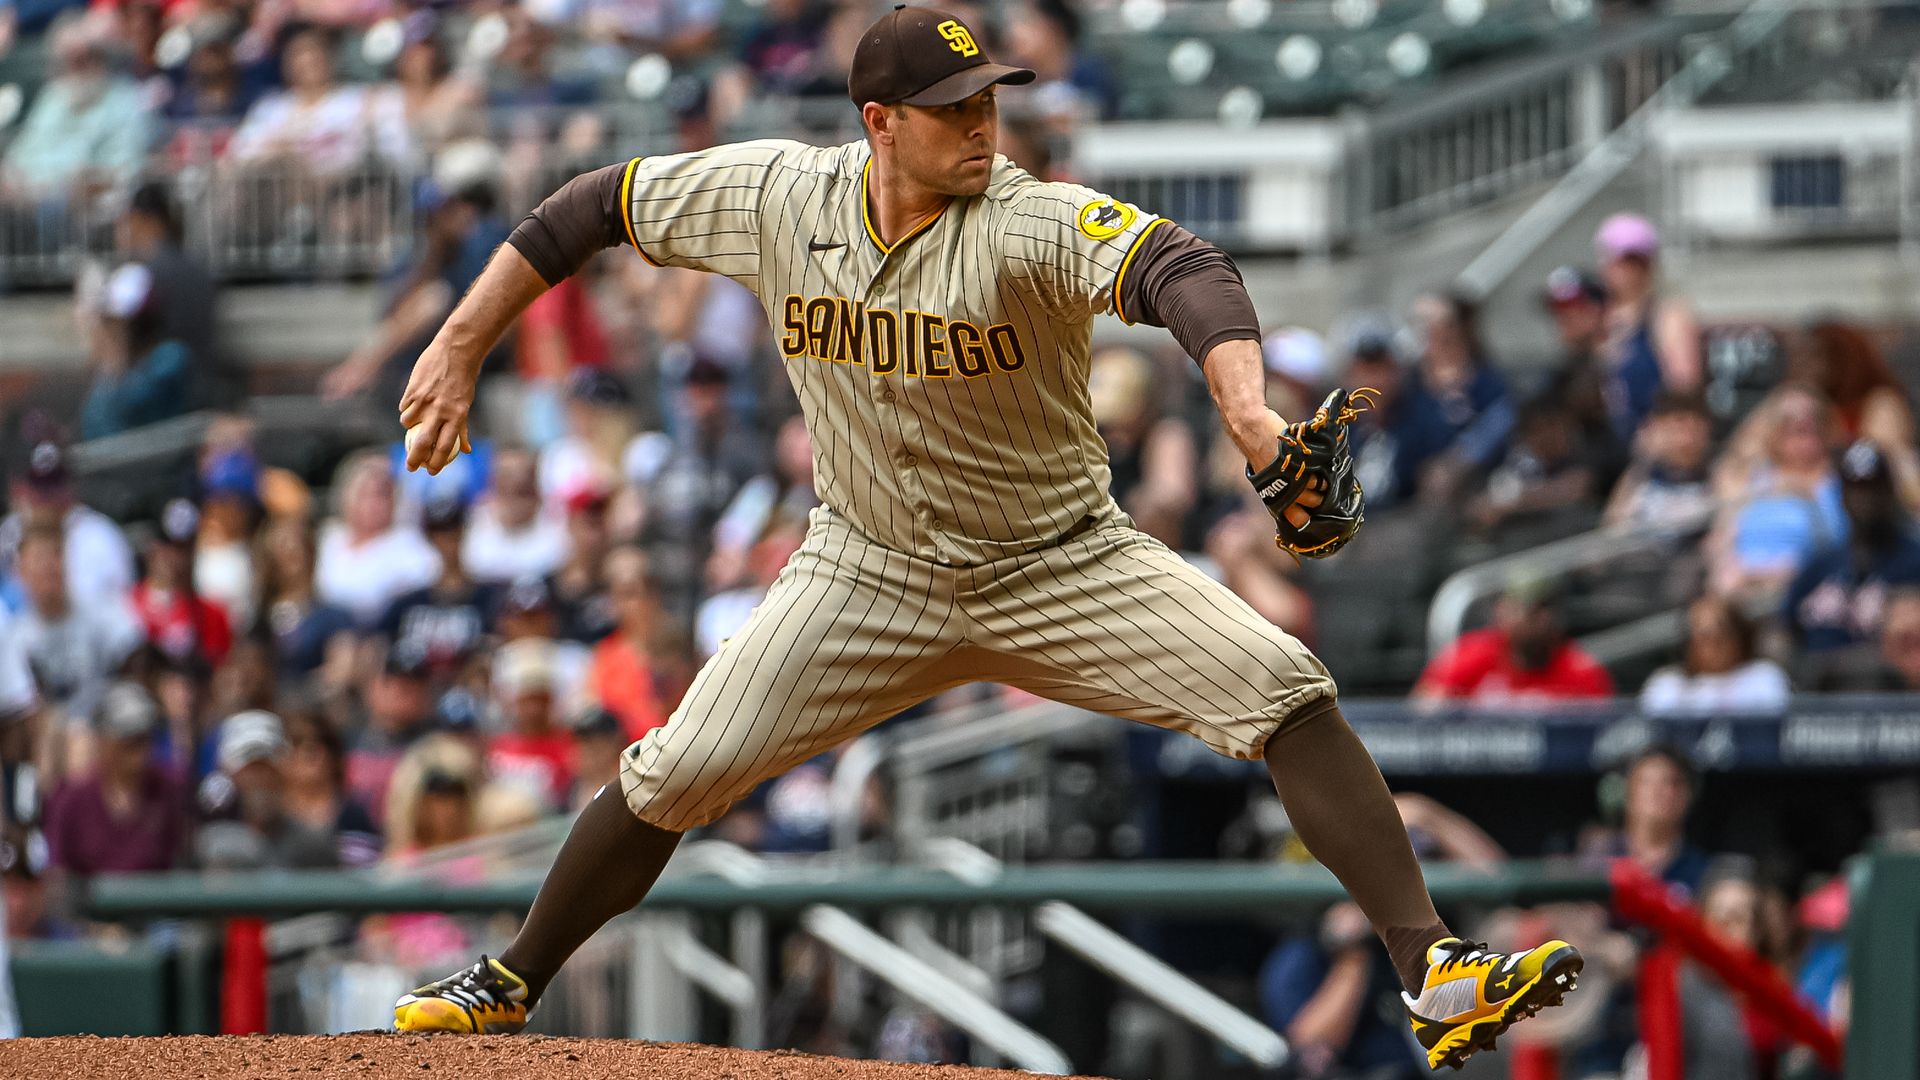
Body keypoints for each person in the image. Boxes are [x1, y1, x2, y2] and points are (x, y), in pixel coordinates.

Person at [388, 9, 1583, 1067]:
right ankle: (510, 979)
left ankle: (1434, 968)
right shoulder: (775, 197)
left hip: (1064, 561)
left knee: (1286, 687)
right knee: (675, 771)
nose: (982, 123)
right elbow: (588, 206)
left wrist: (1247, 411)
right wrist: (458, 341)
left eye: (991, 99)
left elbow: (1182, 265)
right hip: (865, 568)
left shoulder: (1022, 219)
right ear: (879, 122)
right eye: (953, 108)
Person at [1784, 439, 1920, 657]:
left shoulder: (1914, 561)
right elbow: (1785, 628)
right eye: (1856, 489)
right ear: (1843, 497)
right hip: (1820, 683)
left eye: (1873, 489)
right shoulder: (1821, 564)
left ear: (1889, 493)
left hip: (1889, 686)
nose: (1864, 499)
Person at [4, 524, 144, 727]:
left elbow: (137, 653)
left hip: (104, 724)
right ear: (22, 571)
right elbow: (20, 710)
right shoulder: (16, 636)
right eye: (38, 558)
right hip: (50, 736)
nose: (49, 565)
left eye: (55, 555)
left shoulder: (98, 610)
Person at [43, 681, 187, 877]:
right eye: (130, 742)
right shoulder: (73, 798)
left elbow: (183, 859)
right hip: (89, 906)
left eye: (145, 740)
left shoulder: (167, 789)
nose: (140, 753)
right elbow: (57, 869)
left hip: (154, 905)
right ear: (104, 742)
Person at [1593, 212, 1703, 443]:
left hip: (1650, 440)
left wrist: (1656, 437)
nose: (1625, 270)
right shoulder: (1599, 317)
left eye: (1635, 261)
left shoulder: (1667, 316)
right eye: (1619, 260)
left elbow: (1682, 391)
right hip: (1609, 439)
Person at [1414, 578, 1614, 704]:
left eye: (1547, 610)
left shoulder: (1580, 668)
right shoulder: (1473, 653)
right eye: (1531, 611)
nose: (1542, 620)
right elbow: (1424, 709)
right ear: (1502, 611)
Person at [1, 437, 137, 613]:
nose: (47, 500)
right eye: (40, 490)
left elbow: (121, 611)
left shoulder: (100, 536)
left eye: (54, 488)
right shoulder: (8, 533)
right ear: (21, 489)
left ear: (71, 487)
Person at [314, 451, 441, 627]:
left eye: (381, 495)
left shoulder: (408, 544)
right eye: (364, 493)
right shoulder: (328, 538)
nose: (372, 504)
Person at [79, 261, 193, 440]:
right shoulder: (121, 367)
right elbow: (92, 431)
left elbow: (126, 408)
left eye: (117, 323)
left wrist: (112, 365)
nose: (110, 330)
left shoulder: (170, 358)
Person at [1640, 597, 1790, 715]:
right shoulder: (1666, 686)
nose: (1711, 646)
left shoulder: (1763, 677)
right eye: (1703, 636)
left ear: (1740, 637)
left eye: (1721, 634)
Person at [130, 499, 233, 668]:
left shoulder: (213, 616)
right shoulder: (126, 608)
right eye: (169, 547)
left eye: (186, 548)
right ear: (152, 549)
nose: (177, 559)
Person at [461, 448, 570, 585]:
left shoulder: (557, 521)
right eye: (507, 474)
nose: (517, 480)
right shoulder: (476, 522)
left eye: (523, 472)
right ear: (494, 480)